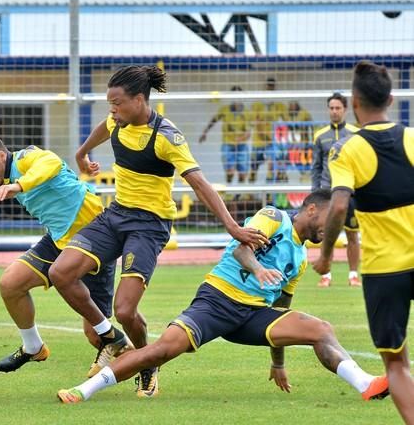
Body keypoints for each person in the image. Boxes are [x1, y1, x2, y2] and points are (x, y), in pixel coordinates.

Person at [48, 65, 267, 398]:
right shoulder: (116, 121)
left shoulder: (166, 137)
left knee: (125, 309)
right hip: (116, 215)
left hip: (149, 226)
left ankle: (146, 362)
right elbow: (101, 130)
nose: (112, 109)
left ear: (139, 99)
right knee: (60, 272)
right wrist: (81, 154)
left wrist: (233, 227)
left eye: (117, 102)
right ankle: (111, 337)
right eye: (109, 103)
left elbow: (199, 183)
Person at [58, 190, 390, 404]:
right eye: (331, 218)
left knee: (320, 329)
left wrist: (277, 363)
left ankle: (365, 384)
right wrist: (258, 270)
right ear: (313, 208)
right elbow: (241, 248)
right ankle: (84, 391)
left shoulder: (300, 259)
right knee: (159, 351)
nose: (332, 227)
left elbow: (280, 309)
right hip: (216, 302)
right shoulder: (274, 218)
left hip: (253, 317)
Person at [313, 60, 413, 423]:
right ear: (390, 98)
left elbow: (339, 205)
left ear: (354, 103)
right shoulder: (412, 138)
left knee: (397, 363)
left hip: (385, 269)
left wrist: (325, 257)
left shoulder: (347, 149)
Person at [0, 133, 117, 372]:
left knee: (95, 335)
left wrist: (19, 185)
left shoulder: (24, 159)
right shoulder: (8, 178)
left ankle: (144, 363)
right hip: (59, 240)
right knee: (10, 284)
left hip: (92, 235)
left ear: (1, 156)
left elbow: (52, 162)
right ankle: (33, 347)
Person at [311, 93, 361, 288]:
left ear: (345, 109)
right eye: (331, 108)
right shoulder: (320, 136)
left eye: (338, 108)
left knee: (352, 235)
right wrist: (315, 192)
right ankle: (326, 276)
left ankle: (353, 275)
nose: (334, 111)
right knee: (325, 234)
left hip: (349, 193)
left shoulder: (354, 134)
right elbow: (316, 167)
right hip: (326, 193)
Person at [199, 85, 250, 185]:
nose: (236, 99)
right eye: (234, 96)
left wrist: (239, 140)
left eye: (238, 96)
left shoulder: (246, 113)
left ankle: (238, 195)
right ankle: (229, 191)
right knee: (230, 172)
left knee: (242, 174)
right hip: (228, 144)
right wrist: (205, 132)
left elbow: (248, 133)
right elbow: (214, 120)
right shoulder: (225, 109)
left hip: (241, 146)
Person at [249, 77, 288, 183]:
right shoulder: (257, 105)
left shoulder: (279, 106)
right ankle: (249, 193)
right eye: (269, 86)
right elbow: (253, 123)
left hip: (272, 142)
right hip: (258, 142)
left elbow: (287, 123)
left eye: (272, 86)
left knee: (272, 164)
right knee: (253, 168)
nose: (270, 88)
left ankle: (269, 190)